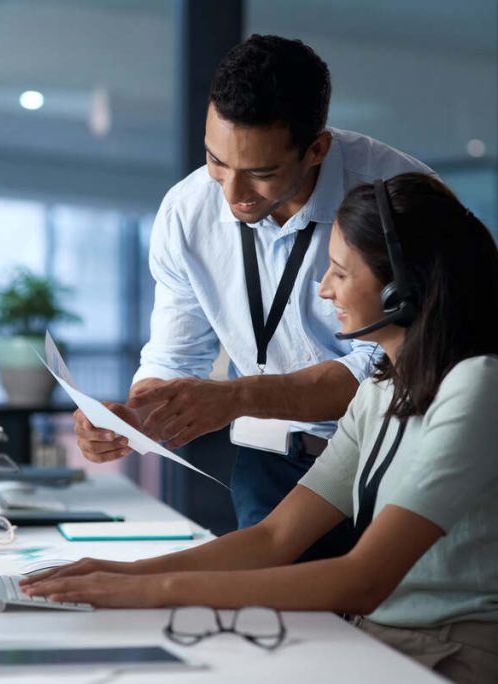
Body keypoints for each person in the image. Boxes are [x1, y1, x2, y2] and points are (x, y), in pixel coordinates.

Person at [25, 173, 498, 683]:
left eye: (341, 272)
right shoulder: (383, 389)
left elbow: (363, 579)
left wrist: (152, 593)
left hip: (441, 656)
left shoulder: (479, 387)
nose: (323, 289)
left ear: (401, 290)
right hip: (369, 640)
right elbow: (274, 537)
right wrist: (123, 574)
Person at [74, 34, 432, 558]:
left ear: (316, 149)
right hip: (270, 465)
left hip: (392, 462)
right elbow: (175, 356)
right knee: (270, 629)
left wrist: (237, 397)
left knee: (374, 628)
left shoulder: (395, 199)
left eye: (260, 173)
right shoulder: (187, 211)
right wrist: (136, 419)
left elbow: (385, 370)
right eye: (216, 160)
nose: (232, 195)